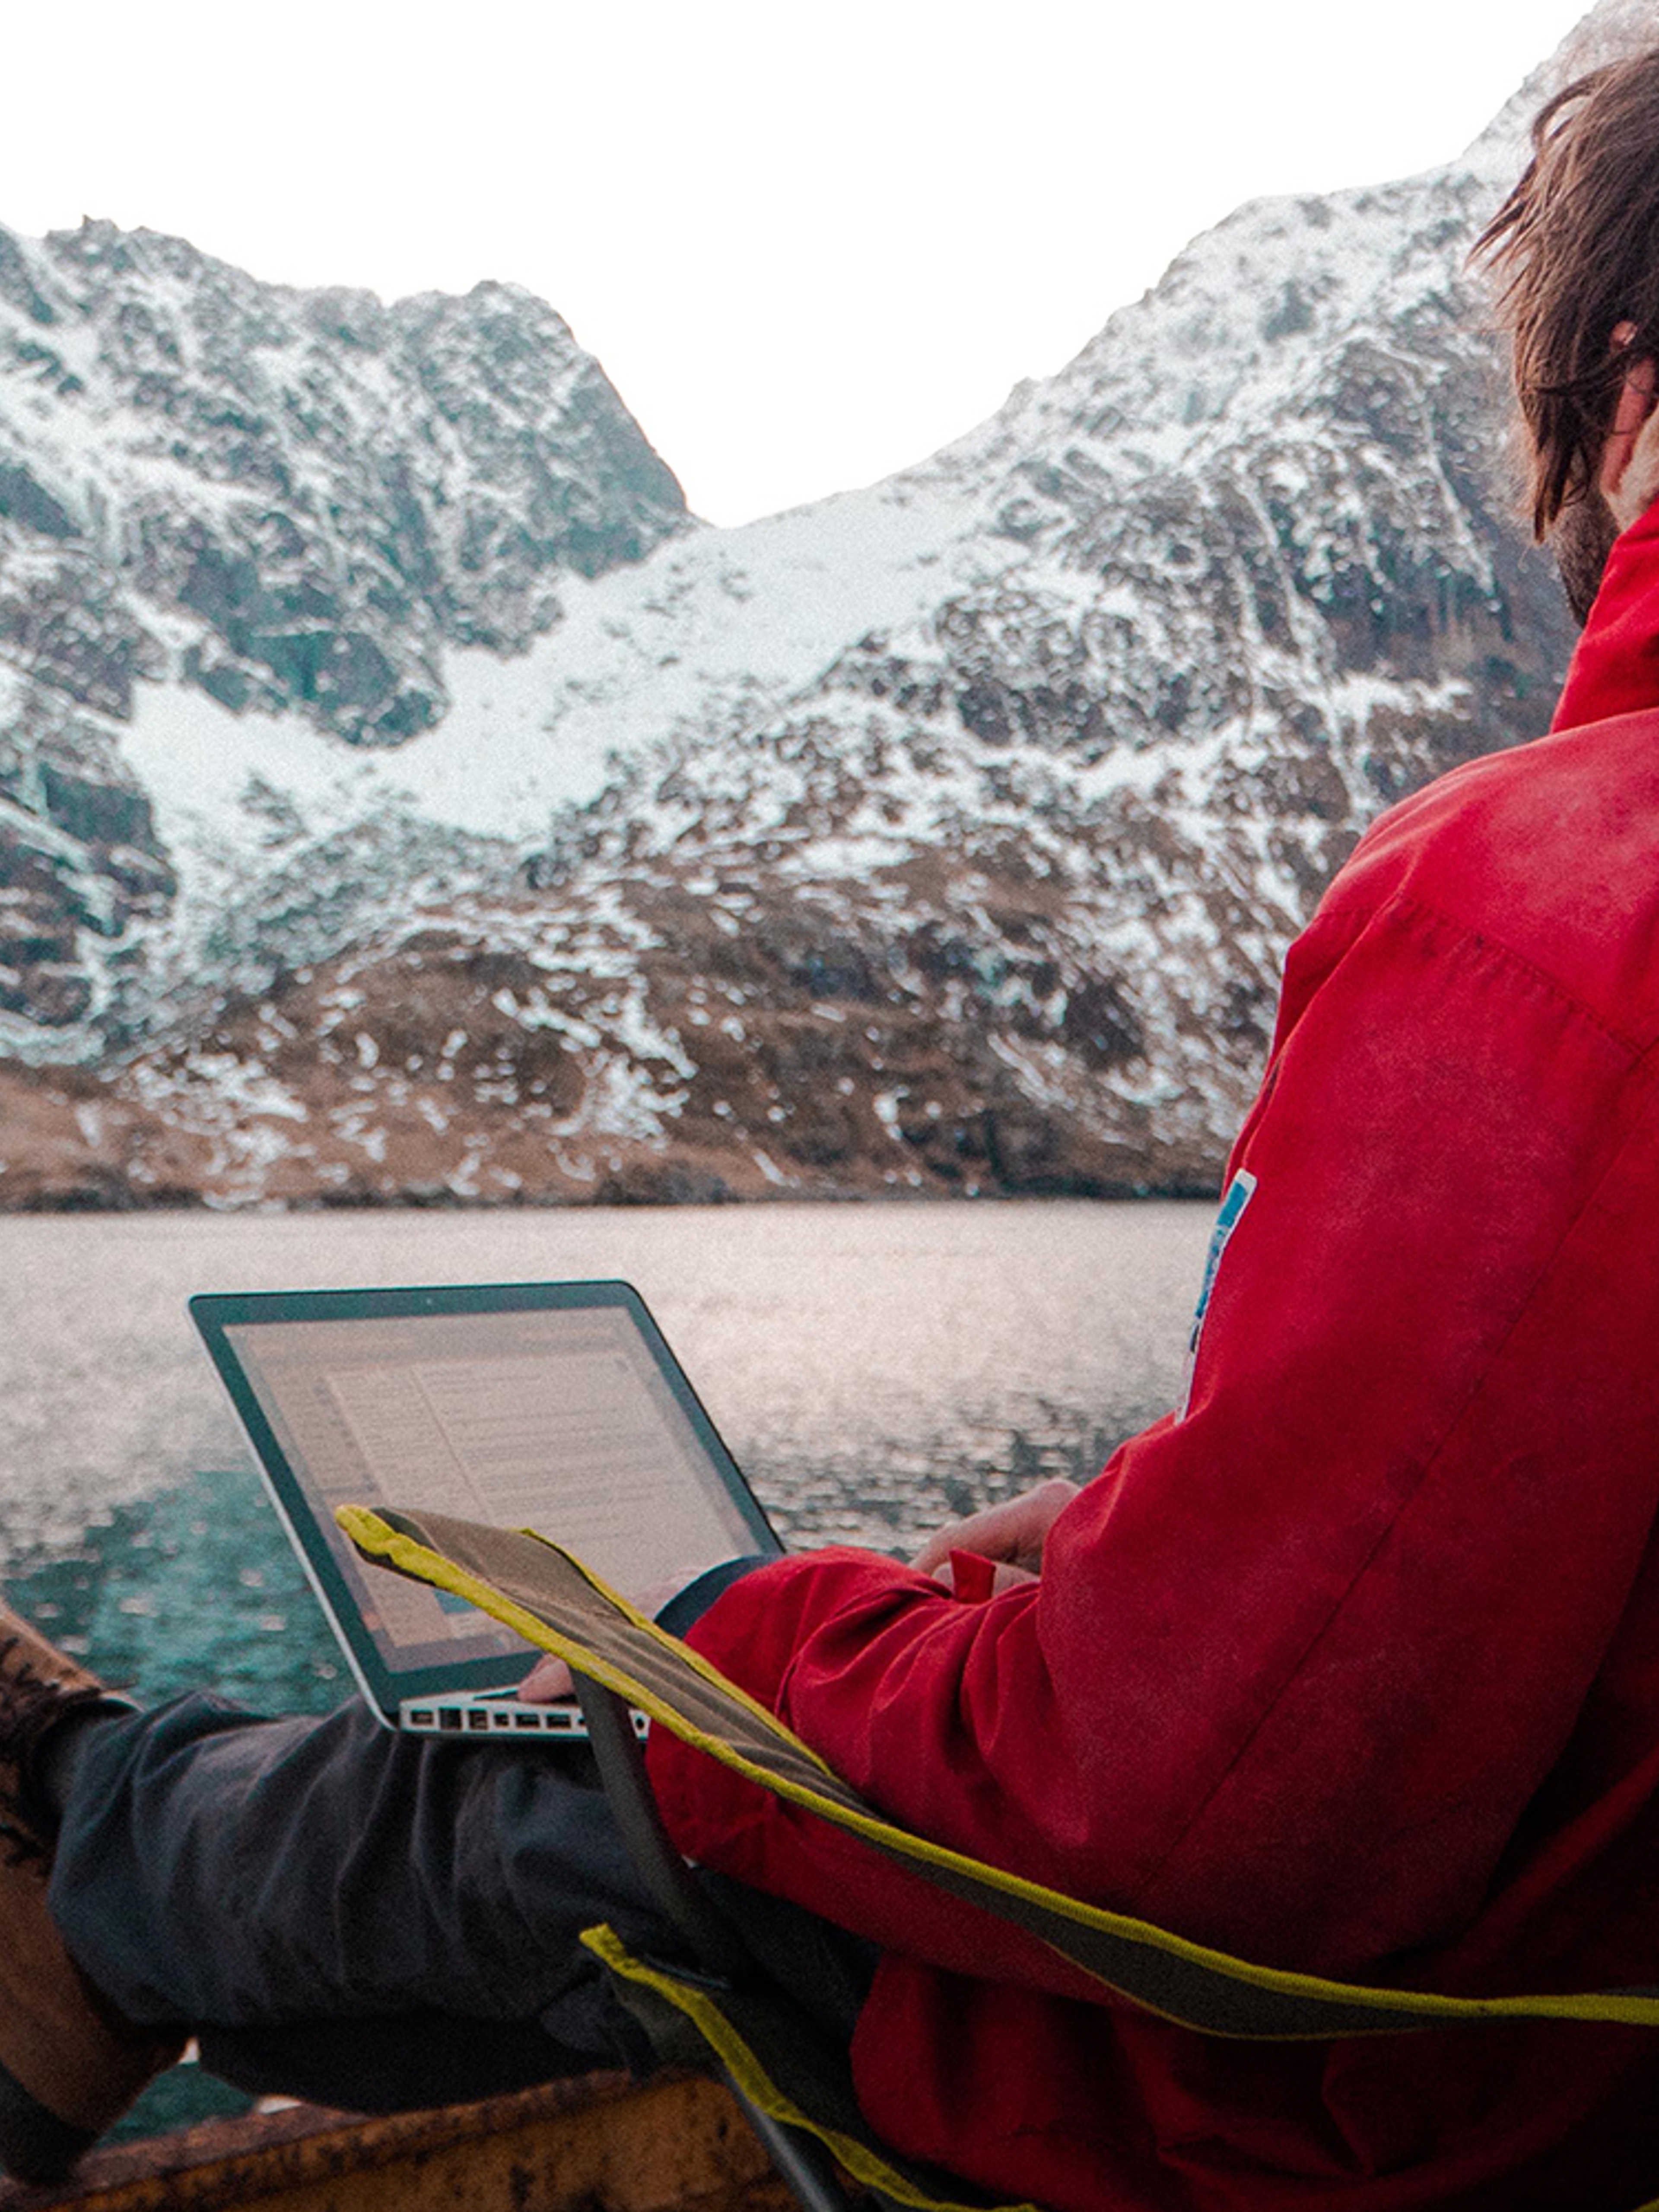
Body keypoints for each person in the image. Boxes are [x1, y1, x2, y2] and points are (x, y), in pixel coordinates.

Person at [10, 42, 1659, 2212]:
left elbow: (1204, 1819)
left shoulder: (1547, 916)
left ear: (1627, 385)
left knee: (583, 1771)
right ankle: (109, 1865)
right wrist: (1135, 1545)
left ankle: (79, 1854)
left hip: (1355, 2104)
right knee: (595, 1785)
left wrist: (748, 1631)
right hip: (1577, 2045)